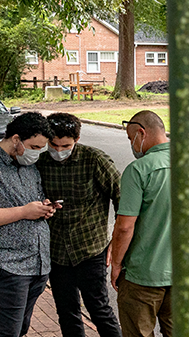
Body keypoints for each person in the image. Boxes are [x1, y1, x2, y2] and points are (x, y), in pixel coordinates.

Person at [0, 112, 60, 337]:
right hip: (2, 267)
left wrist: (43, 208)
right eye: (33, 147)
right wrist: (24, 212)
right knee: (6, 332)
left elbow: (29, 206)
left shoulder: (27, 168)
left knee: (19, 330)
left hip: (35, 265)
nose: (36, 153)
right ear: (16, 139)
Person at [37, 113, 123, 337]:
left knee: (99, 310)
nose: (58, 151)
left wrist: (115, 241)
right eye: (53, 145)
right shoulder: (41, 162)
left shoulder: (95, 160)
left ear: (77, 139)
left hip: (90, 249)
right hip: (56, 251)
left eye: (65, 145)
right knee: (67, 311)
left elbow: (122, 199)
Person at [110, 110, 172, 337]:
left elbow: (125, 226)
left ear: (141, 133)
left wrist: (116, 264)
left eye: (130, 138)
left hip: (143, 275)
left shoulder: (138, 170)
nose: (132, 144)